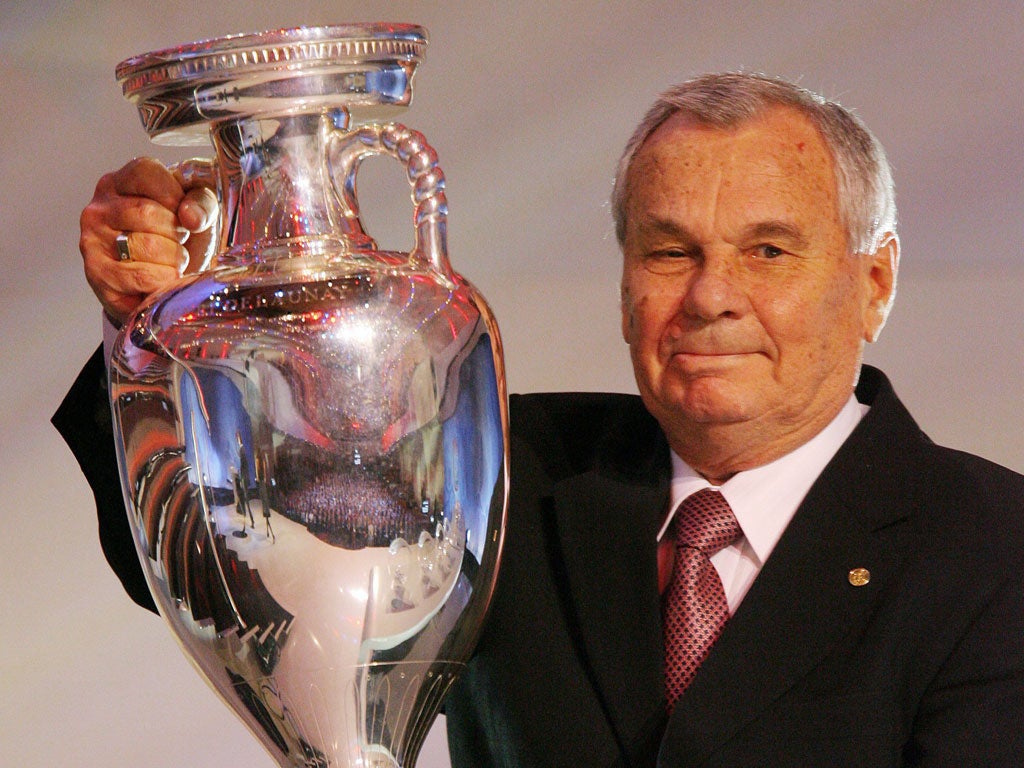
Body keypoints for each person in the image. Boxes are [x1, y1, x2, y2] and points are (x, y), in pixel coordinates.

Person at [56, 73, 1024, 766]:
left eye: (768, 252)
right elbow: (243, 569)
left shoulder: (996, 549)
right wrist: (157, 322)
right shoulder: (500, 471)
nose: (710, 297)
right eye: (667, 250)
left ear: (874, 283)